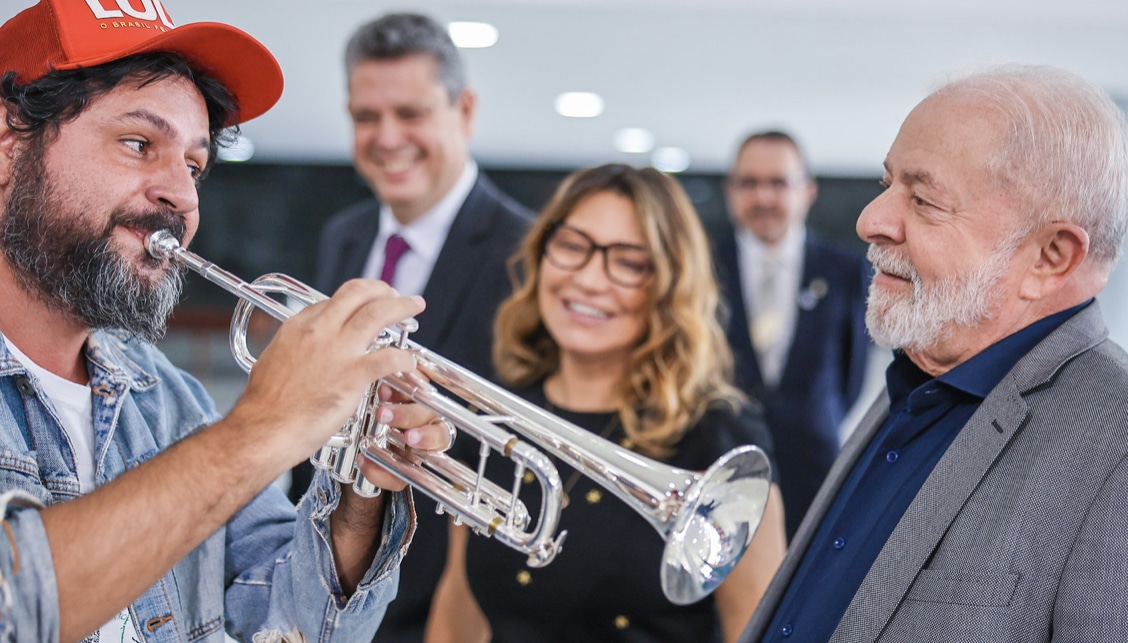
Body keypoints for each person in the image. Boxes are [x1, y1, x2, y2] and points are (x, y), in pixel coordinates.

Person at [0, 1, 451, 641]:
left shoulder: (169, 398)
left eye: (193, 165)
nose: (183, 197)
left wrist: (361, 490)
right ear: (8, 145)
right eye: (138, 144)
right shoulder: (216, 429)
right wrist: (262, 427)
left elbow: (284, 620)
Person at [739, 63, 1128, 643]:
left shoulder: (1113, 442)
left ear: (1051, 256)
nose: (870, 221)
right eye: (886, 184)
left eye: (924, 200)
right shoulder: (921, 371)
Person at [426, 164, 788, 643]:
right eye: (572, 246)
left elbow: (759, 627)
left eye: (628, 261)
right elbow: (459, 611)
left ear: (669, 283)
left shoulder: (721, 435)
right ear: (541, 254)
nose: (590, 281)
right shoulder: (495, 414)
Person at [284, 12, 533, 641]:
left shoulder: (531, 254)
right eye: (367, 117)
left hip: (437, 610)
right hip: (317, 583)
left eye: (412, 113)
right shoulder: (345, 236)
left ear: (465, 110)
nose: (387, 137)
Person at [715, 130, 871, 538]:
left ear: (808, 190)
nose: (763, 198)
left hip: (814, 473)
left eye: (778, 183)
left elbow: (851, 377)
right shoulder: (700, 268)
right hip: (719, 470)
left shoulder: (846, 271)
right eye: (749, 183)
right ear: (730, 191)